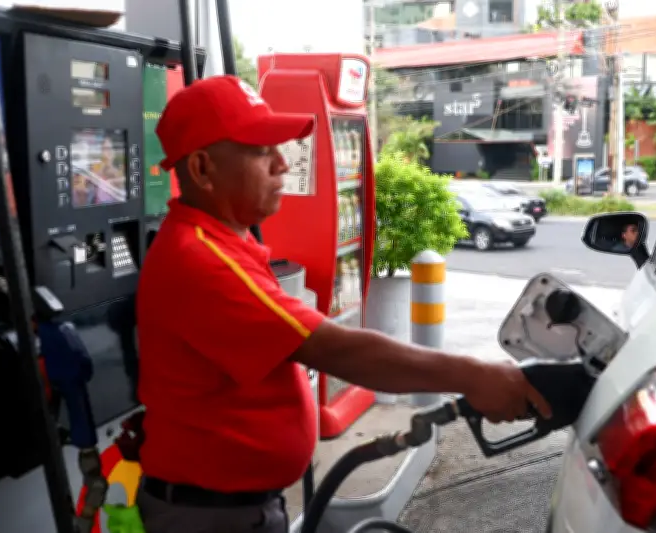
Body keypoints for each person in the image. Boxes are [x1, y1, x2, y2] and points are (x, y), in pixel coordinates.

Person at [135, 75, 553, 533]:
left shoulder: (222, 242)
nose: (281, 164)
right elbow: (338, 351)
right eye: (260, 150)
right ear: (201, 169)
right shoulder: (200, 258)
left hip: (235, 507)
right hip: (210, 519)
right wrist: (474, 375)